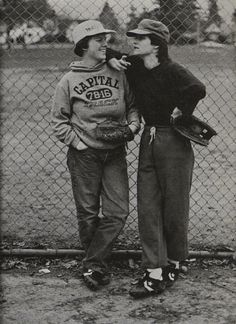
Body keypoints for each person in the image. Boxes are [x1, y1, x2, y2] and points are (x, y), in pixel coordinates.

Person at [107, 19, 206, 298]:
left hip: (174, 141)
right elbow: (107, 53)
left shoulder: (173, 70)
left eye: (141, 38)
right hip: (149, 138)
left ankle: (174, 262)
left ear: (156, 45)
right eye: (133, 36)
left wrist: (181, 110)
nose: (134, 41)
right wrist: (114, 61)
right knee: (148, 206)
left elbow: (197, 88)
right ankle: (154, 270)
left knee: (175, 205)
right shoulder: (135, 65)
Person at [51, 20, 140, 291]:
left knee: (118, 211)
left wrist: (133, 126)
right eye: (98, 39)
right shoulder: (68, 81)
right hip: (84, 155)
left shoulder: (119, 73)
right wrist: (79, 145)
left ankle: (92, 261)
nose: (105, 43)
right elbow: (59, 122)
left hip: (114, 153)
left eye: (105, 39)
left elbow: (133, 106)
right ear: (83, 45)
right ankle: (95, 265)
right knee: (88, 213)